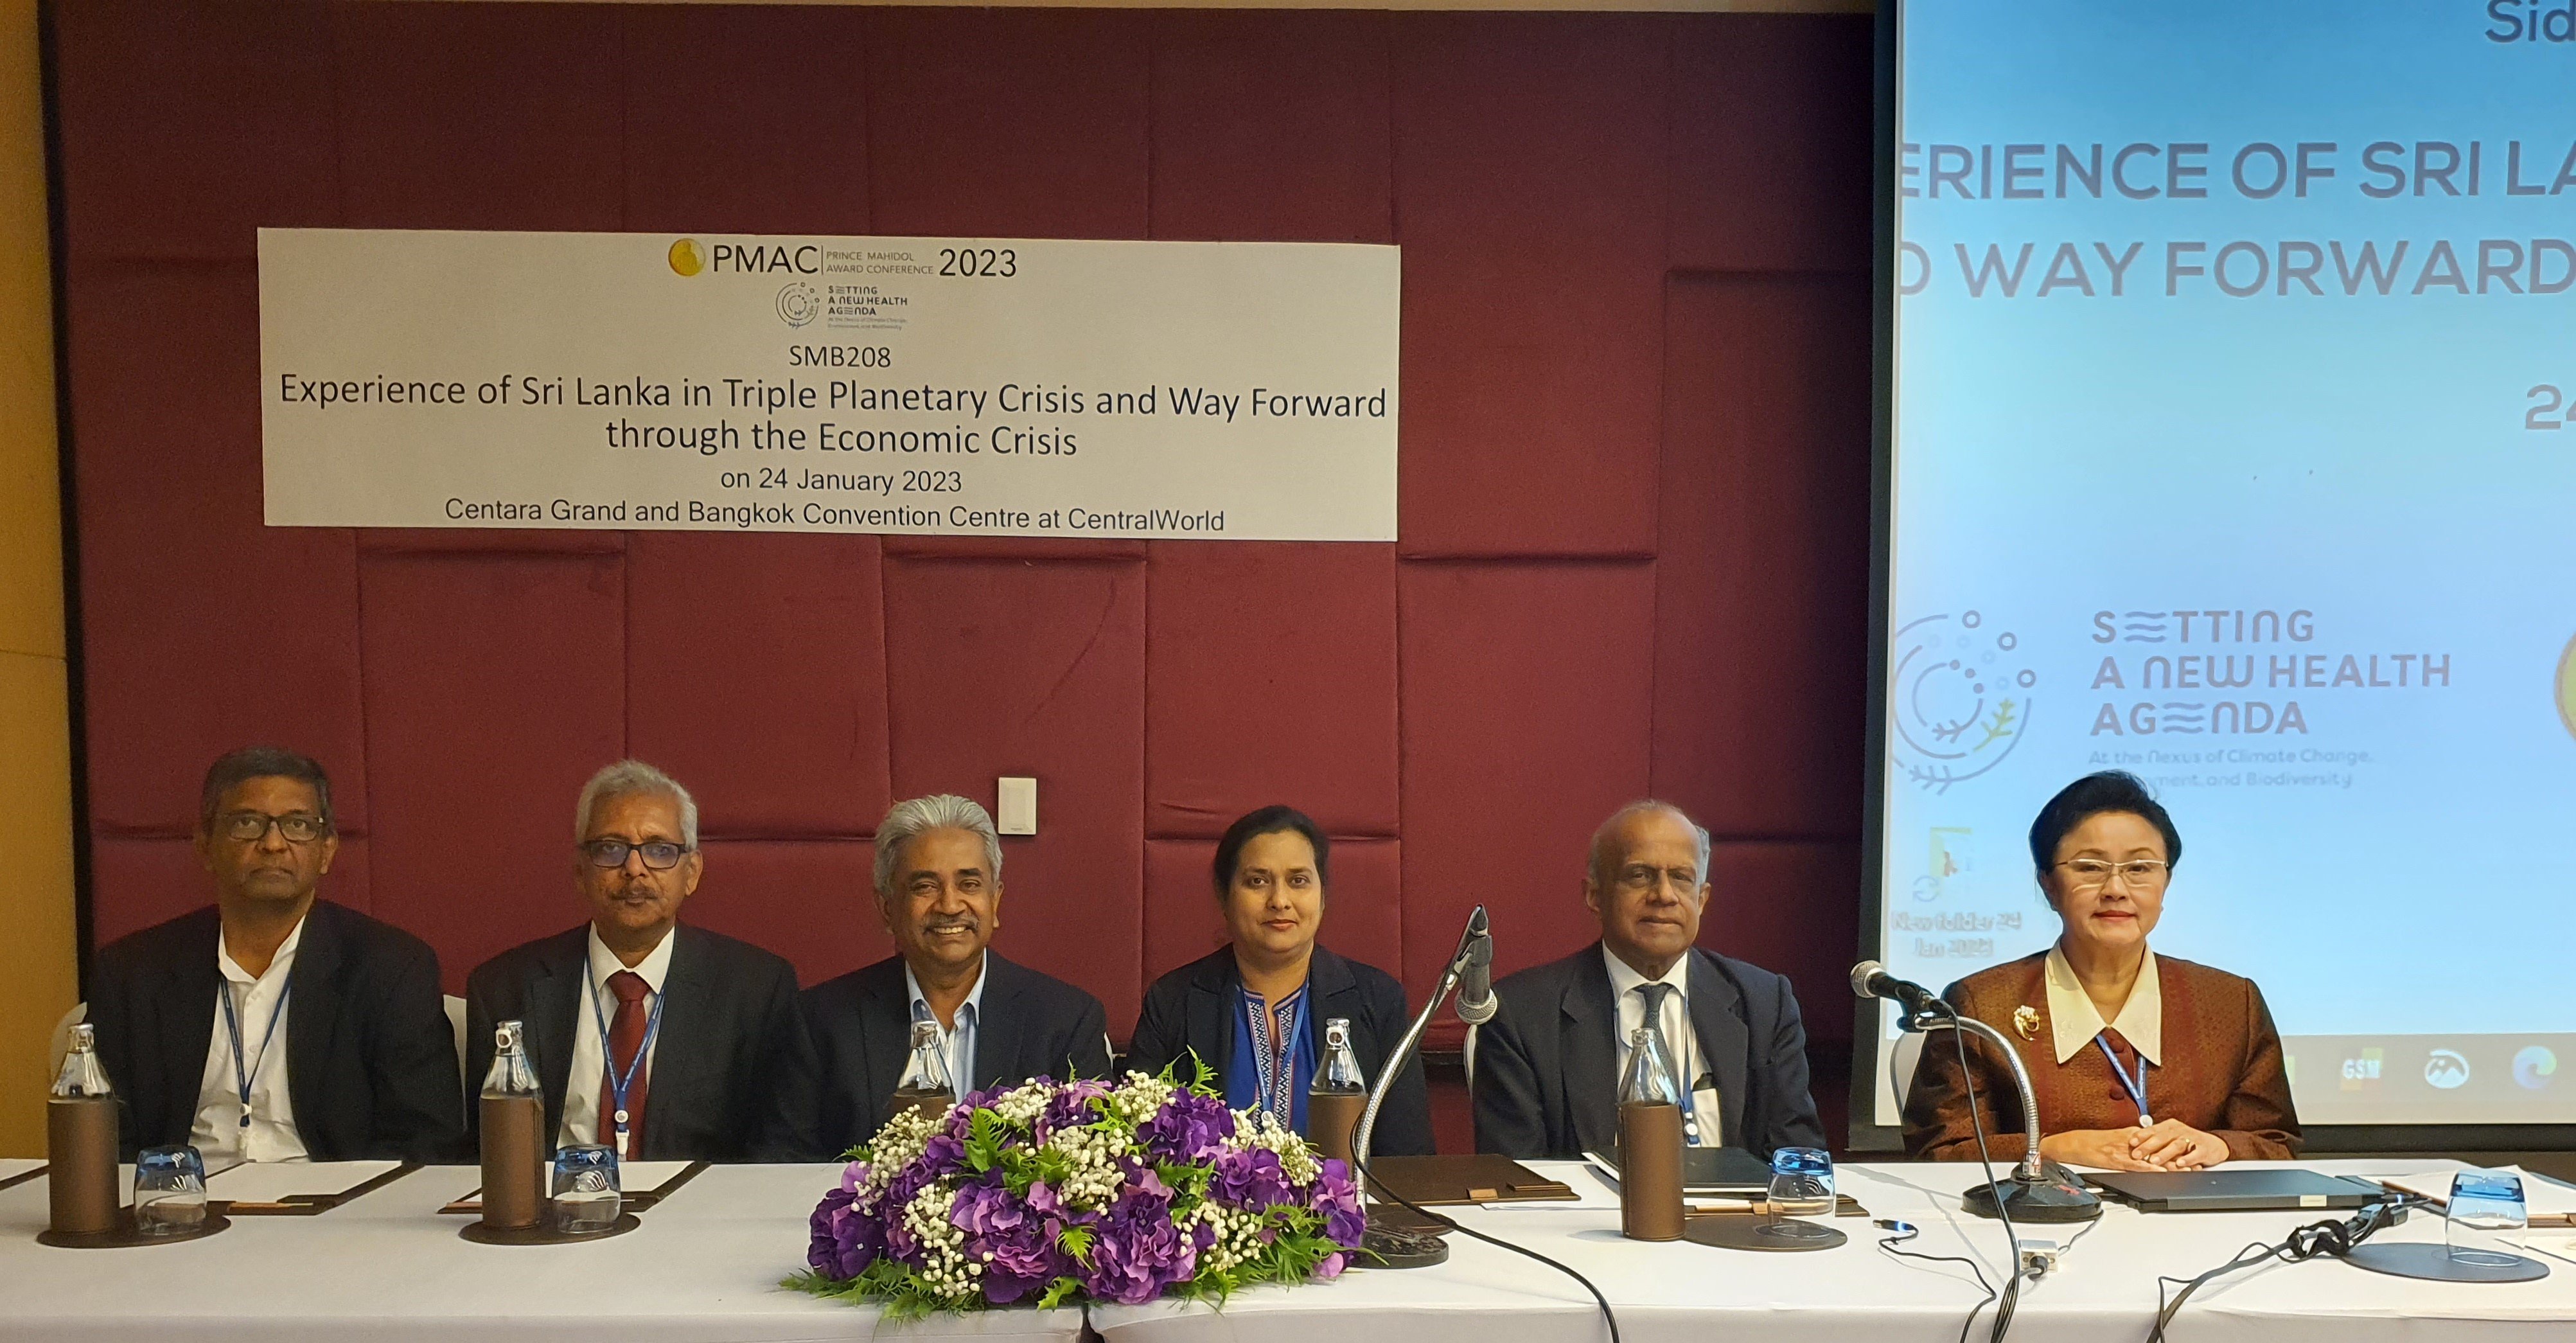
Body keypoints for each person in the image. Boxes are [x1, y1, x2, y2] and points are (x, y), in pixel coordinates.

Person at [1902, 770, 2300, 1169]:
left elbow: (2275, 1143)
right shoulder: (1981, 1005)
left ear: (2166, 882)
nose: (2116, 889)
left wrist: (2220, 1146)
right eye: (2090, 868)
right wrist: (2054, 1149)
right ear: (2048, 884)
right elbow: (1941, 1152)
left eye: (2139, 868)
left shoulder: (2232, 1003)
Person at [85, 747, 461, 1162]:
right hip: (182, 1194)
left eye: (298, 825)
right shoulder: (132, 973)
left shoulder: (392, 969)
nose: (273, 844)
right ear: (205, 845)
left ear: (328, 850)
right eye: (247, 823)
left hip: (333, 1197)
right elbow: (102, 1138)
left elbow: (424, 1140)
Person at [466, 760, 815, 1162]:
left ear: (692, 873)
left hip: (700, 1199)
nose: (634, 869)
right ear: (580, 871)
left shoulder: (756, 990)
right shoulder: (504, 989)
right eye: (611, 849)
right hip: (550, 1198)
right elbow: (485, 1154)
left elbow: (776, 1150)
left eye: (660, 851)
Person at [1472, 800, 1828, 1161]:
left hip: (1736, 1200)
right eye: (1640, 876)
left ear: (1702, 899)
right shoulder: (1522, 1015)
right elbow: (1517, 1178)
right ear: (1595, 896)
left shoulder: (1766, 1004)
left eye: (1682, 878)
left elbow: (1798, 1160)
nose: (1664, 895)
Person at [803, 794, 1111, 1153]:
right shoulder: (821, 1021)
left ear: (994, 901)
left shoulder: (1067, 1021)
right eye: (925, 886)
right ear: (887, 909)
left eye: (969, 884)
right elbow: (780, 1163)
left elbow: (1091, 1157)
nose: (950, 905)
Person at [1125, 806, 1434, 1155]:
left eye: (1298, 881)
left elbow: (1410, 1158)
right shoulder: (1172, 1001)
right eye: (1257, 881)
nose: (1279, 901)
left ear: (1323, 895)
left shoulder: (1378, 1001)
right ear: (1224, 896)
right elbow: (1137, 1145)